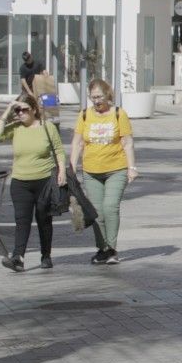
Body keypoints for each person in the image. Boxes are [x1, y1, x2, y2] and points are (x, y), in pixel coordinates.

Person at [0, 92, 68, 270]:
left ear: (33, 109)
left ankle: (46, 255)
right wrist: (7, 110)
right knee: (22, 220)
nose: (20, 113)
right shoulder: (16, 127)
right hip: (20, 182)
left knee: (43, 219)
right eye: (17, 110)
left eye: (23, 110)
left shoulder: (47, 126)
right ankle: (18, 258)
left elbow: (59, 150)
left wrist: (62, 171)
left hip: (44, 181)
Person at [72, 80, 137, 265]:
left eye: (99, 97)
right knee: (97, 212)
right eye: (93, 98)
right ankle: (103, 249)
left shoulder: (119, 114)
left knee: (110, 207)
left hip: (116, 168)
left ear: (108, 95)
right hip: (91, 170)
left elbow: (127, 142)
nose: (96, 101)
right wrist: (71, 167)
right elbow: (77, 143)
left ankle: (112, 249)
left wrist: (132, 167)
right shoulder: (84, 115)